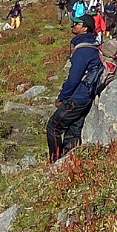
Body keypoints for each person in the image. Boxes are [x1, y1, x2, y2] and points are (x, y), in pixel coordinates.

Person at [47, 19, 103, 160]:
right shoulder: (93, 46)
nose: (73, 25)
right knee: (73, 130)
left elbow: (74, 78)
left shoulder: (83, 50)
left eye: (77, 24)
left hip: (77, 97)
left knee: (53, 127)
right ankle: (68, 160)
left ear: (85, 28)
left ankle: (55, 161)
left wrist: (62, 97)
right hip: (87, 96)